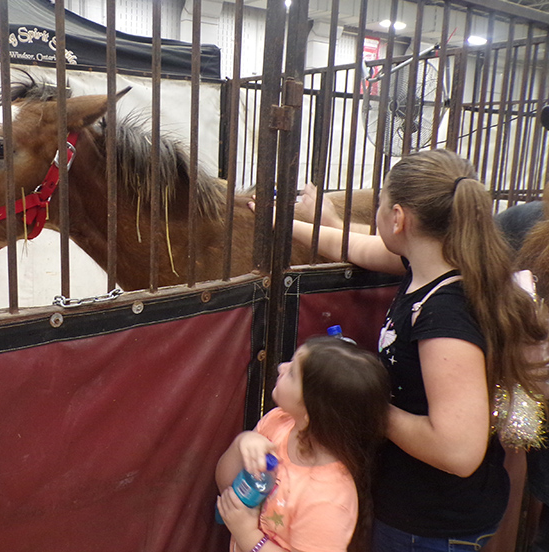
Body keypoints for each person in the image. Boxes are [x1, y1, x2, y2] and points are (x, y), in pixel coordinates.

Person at [289, 149, 549, 551]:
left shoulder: (445, 315)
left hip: (430, 522)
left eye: (379, 206)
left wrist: (365, 404)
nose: (376, 216)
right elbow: (357, 248)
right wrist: (286, 225)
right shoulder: (431, 268)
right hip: (421, 506)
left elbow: (458, 451)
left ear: (397, 218)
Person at [215, 337, 390, 552]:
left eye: (292, 373)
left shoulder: (328, 499)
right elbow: (226, 485)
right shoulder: (277, 423)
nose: (281, 367)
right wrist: (241, 443)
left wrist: (248, 535)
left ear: (312, 411)